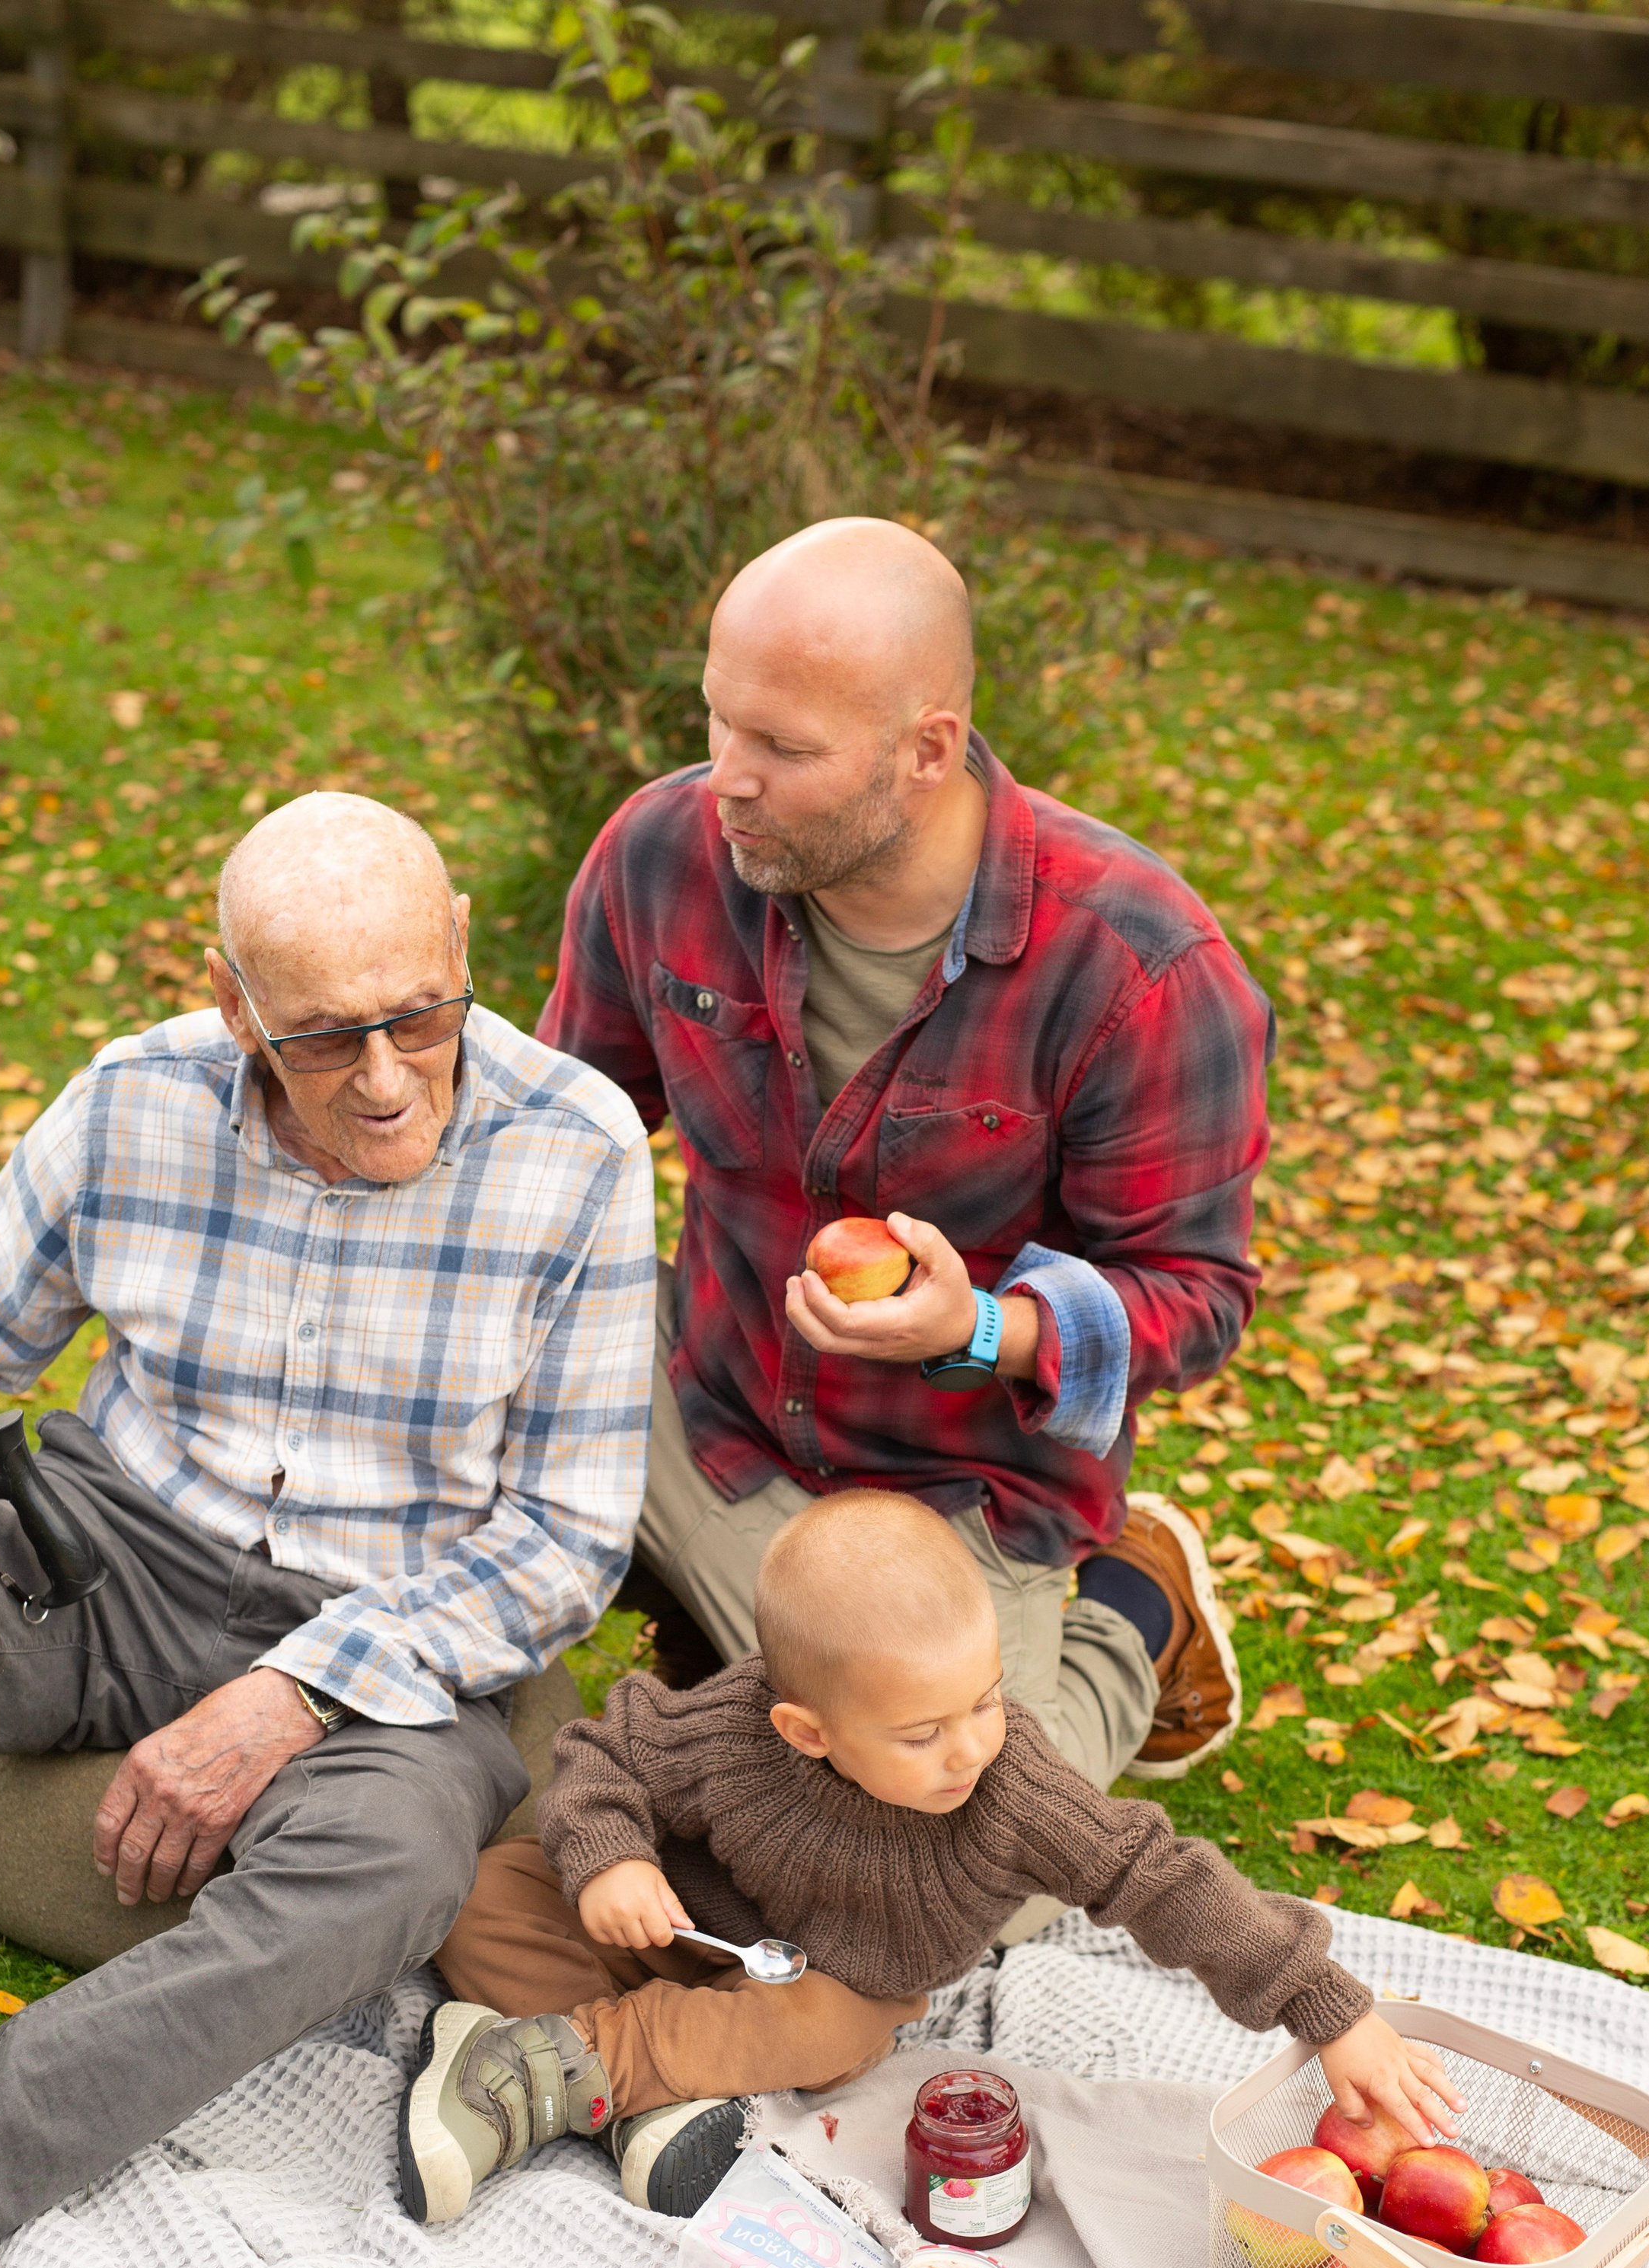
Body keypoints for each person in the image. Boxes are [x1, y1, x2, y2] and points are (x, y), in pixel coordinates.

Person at [0, 792, 654, 2268]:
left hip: (399, 1632)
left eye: (420, 1014)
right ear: (232, 999)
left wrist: (294, 1691)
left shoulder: (573, 1149)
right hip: (111, 1546)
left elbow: (567, 1542)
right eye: (324, 1035)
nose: (385, 1079)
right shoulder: (133, 1099)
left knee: (384, 1874)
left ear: (459, 948)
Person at [539, 515, 1268, 1848]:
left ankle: (1134, 1618)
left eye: (785, 751)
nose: (725, 781)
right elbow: (556, 1128)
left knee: (969, 1871)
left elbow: (1197, 1295)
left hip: (956, 1507)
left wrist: (980, 1329)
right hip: (704, 1407)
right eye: (718, 724)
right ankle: (747, 1645)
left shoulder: (1138, 967)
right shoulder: (661, 856)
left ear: (927, 752)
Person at [402, 1491, 1457, 2222]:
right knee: (489, 1894)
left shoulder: (1011, 1792)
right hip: (688, 1931)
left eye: (985, 1703)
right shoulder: (735, 1732)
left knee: (826, 2027)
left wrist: (1329, 2006)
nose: (969, 1748)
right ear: (807, 1730)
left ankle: (575, 2068)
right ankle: (674, 2096)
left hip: (833, 1984)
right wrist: (608, 1859)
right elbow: (607, 1751)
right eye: (921, 1735)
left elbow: (1160, 1874)